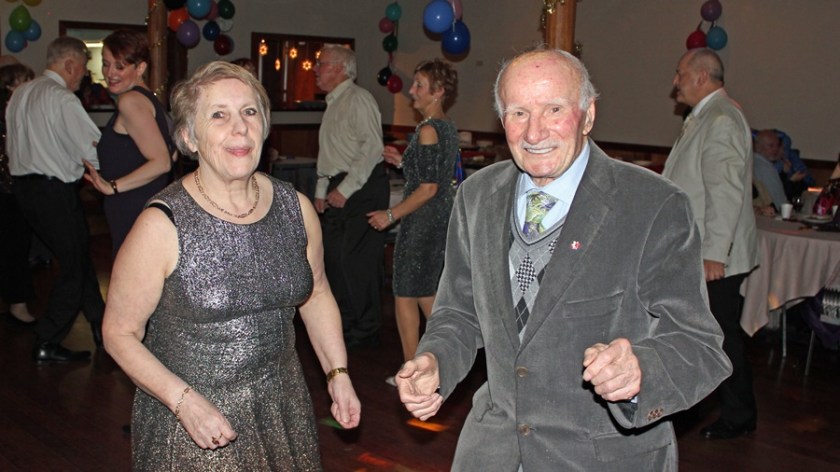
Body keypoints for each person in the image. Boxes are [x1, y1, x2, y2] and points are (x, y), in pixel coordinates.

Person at [396, 47, 731, 470]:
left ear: (588, 115)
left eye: (553, 109)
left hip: (600, 457)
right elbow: (459, 312)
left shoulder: (652, 205)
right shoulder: (477, 196)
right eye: (518, 113)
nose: (534, 132)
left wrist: (640, 371)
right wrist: (435, 360)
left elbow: (699, 346)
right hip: (494, 453)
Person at [102, 61, 361, 470]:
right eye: (218, 115)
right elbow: (119, 333)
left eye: (249, 112)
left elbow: (317, 294)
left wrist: (337, 374)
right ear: (189, 136)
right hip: (193, 422)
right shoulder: (162, 224)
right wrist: (183, 402)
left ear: (264, 126)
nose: (239, 128)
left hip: (283, 411)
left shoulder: (296, 209)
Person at [662, 48, 760, 440]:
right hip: (700, 252)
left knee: (720, 337)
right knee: (709, 335)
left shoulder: (721, 119)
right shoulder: (706, 116)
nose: (675, 81)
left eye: (680, 73)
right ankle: (704, 407)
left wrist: (715, 255)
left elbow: (725, 193)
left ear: (701, 76)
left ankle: (737, 414)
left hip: (714, 257)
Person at [6, 37, 105, 361]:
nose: (85, 74)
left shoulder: (20, 93)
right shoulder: (61, 98)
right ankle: (47, 340)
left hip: (24, 191)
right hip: (53, 193)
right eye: (85, 67)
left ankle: (102, 329)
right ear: (70, 64)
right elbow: (91, 149)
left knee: (78, 258)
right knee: (73, 266)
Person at [367, 59, 459, 385]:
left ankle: (412, 372)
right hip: (436, 218)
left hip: (423, 221)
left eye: (420, 85)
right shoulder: (445, 126)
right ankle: (446, 363)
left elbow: (429, 188)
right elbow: (433, 175)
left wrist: (391, 214)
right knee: (425, 294)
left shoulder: (429, 130)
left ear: (438, 91)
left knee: (406, 294)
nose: (412, 91)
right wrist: (403, 161)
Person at [313, 44, 390, 349]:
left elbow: (372, 148)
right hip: (340, 184)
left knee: (356, 260)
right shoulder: (334, 102)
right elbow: (330, 154)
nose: (316, 69)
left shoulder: (359, 99)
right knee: (334, 259)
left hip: (362, 186)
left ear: (339, 68)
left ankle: (366, 328)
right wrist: (322, 191)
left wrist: (345, 189)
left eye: (321, 64)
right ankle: (345, 323)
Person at [83, 29, 174, 258]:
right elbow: (172, 153)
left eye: (120, 67)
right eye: (106, 64)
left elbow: (163, 162)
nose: (109, 73)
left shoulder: (130, 101)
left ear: (140, 68)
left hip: (132, 208)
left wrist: (112, 186)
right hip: (145, 207)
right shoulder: (149, 100)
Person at [0, 63, 36, 325]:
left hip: (13, 187)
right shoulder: (7, 111)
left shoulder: (15, 109)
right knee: (14, 247)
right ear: (10, 85)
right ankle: (17, 305)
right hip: (7, 189)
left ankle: (17, 303)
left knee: (15, 247)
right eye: (24, 81)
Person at [753, 129, 788, 212]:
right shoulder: (766, 168)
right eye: (771, 145)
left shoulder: (750, 161)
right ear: (758, 147)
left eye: (777, 145)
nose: (775, 149)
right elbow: (780, 203)